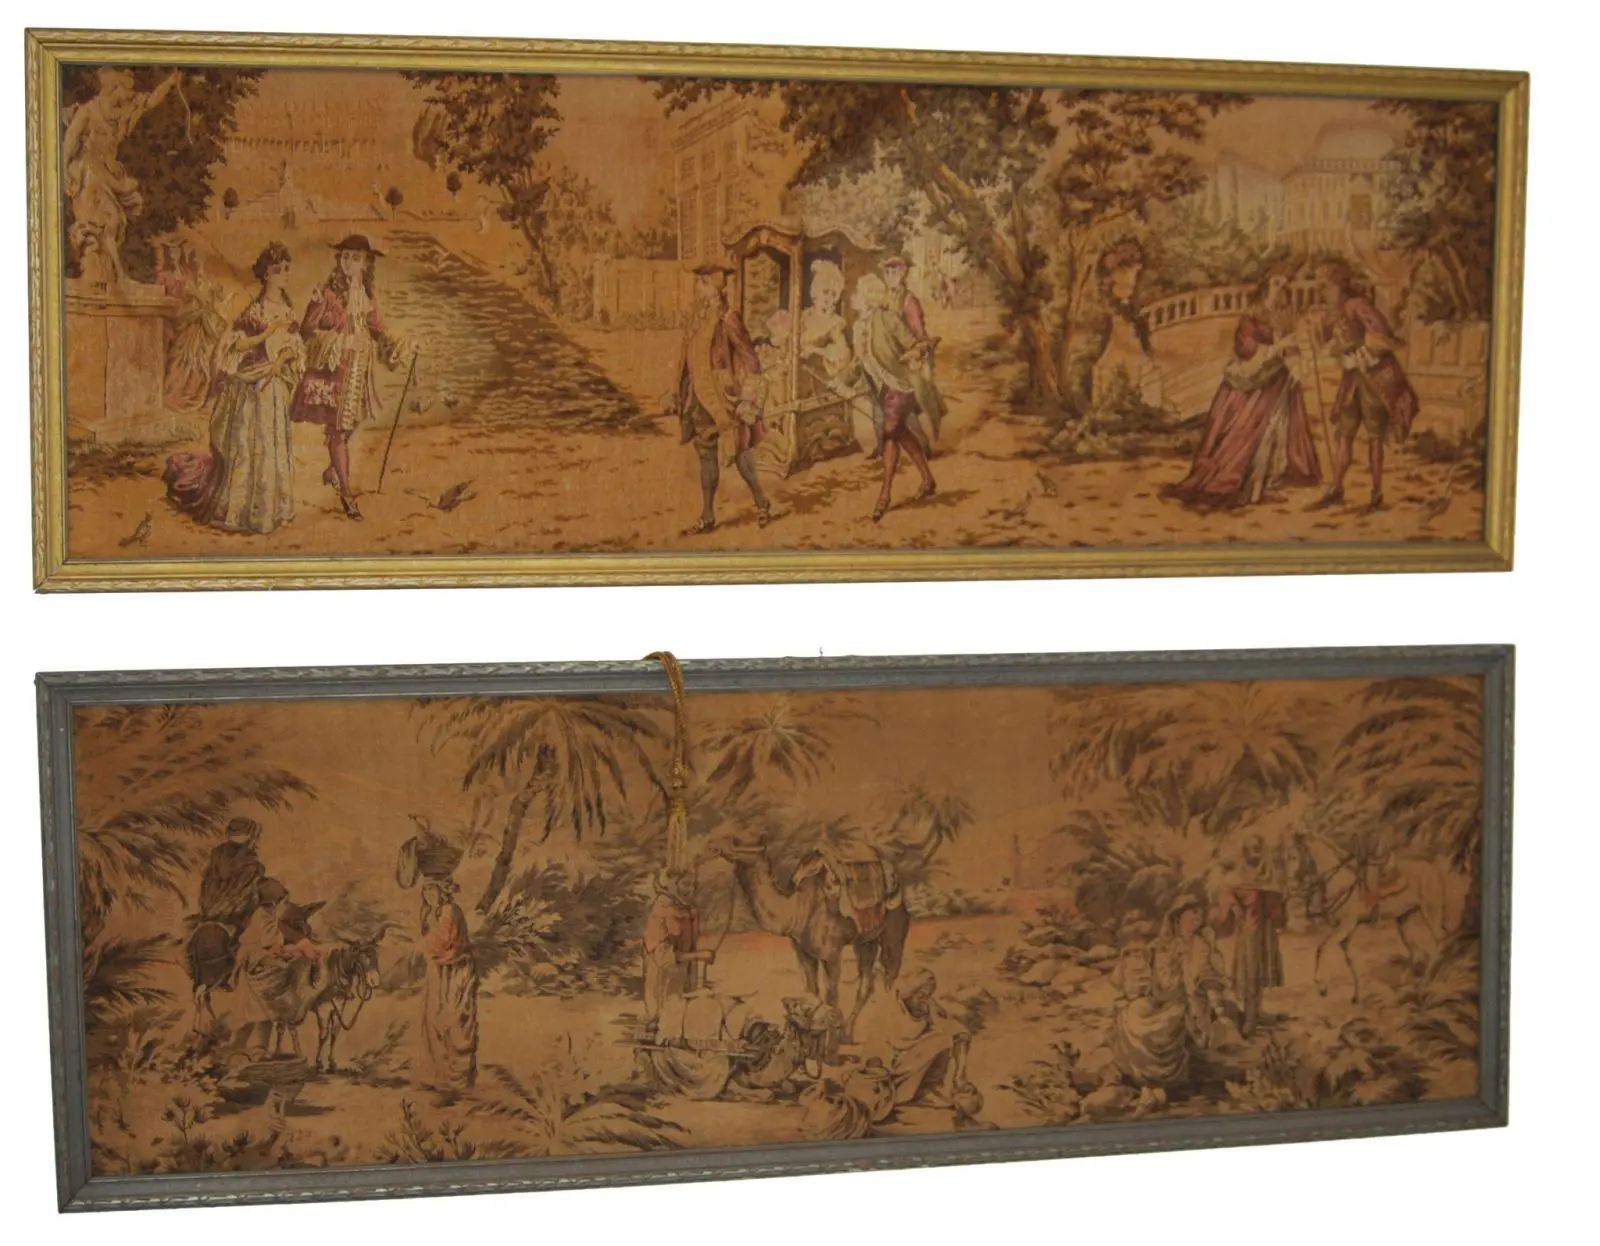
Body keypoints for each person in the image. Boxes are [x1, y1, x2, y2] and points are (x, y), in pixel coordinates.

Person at [1161, 265, 1322, 509]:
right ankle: (1248, 485)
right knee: (1248, 434)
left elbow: (1291, 347)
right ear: (1266, 286)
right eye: (1276, 283)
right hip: (1254, 384)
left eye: (1284, 284)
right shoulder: (1251, 317)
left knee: (1276, 431)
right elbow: (1246, 350)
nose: (1281, 288)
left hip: (1279, 381)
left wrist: (1297, 359)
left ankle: (1267, 483)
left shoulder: (1285, 314)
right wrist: (1277, 347)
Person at [170, 242, 302, 534]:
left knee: (270, 444)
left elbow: (294, 346)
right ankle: (242, 512)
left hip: (273, 386)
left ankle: (270, 511)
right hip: (253, 385)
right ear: (265, 275)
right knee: (250, 445)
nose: (285, 274)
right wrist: (267, 333)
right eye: (278, 270)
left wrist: (279, 362)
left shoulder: (288, 310)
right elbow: (238, 344)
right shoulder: (256, 310)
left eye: (287, 269)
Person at [288, 235, 414, 521]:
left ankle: (333, 470)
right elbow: (306, 332)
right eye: (345, 256)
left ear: (366, 263)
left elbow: (378, 328)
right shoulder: (326, 293)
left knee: (352, 423)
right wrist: (342, 342)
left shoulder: (367, 294)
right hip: (334, 372)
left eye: (355, 258)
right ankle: (346, 493)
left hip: (360, 370)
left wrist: (404, 343)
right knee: (338, 432)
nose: (348, 262)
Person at [1305, 259, 1419, 513]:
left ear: (1339, 285)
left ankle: (1376, 493)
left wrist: (1357, 357)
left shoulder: (1356, 305)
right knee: (1345, 434)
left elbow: (1381, 334)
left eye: (1325, 286)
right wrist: (1312, 331)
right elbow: (1322, 339)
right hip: (1353, 382)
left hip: (1374, 379)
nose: (1322, 292)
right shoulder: (1333, 312)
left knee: (1374, 437)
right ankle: (1337, 488)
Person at [667, 262, 771, 534]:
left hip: (724, 398)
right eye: (699, 282)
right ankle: (707, 516)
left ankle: (761, 502)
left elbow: (751, 360)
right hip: (698, 398)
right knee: (706, 455)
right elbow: (685, 357)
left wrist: (749, 398)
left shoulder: (728, 318)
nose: (698, 288)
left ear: (714, 287)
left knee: (741, 456)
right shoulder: (696, 318)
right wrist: (677, 392)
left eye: (702, 283)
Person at [61, 68, 184, 284]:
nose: (129, 95)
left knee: (113, 223)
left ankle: (109, 277)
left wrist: (170, 83)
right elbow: (70, 141)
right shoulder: (89, 111)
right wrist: (64, 172)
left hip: (108, 172)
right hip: (89, 173)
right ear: (112, 88)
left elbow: (149, 102)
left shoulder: (122, 113)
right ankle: (110, 276)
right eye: (125, 90)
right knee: (106, 222)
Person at [1110, 895, 1229, 1095]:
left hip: (1186, 1002)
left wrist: (1220, 1011)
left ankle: (1162, 1079)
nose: (1196, 921)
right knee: (1132, 1013)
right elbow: (1146, 971)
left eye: (1199, 918)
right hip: (1160, 998)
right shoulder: (1161, 944)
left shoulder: (1200, 945)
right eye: (1191, 916)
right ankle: (1139, 1075)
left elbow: (1207, 977)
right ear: (1178, 918)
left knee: (1162, 1025)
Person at [854, 273, 937, 521]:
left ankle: (885, 494)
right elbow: (860, 361)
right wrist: (840, 381)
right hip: (884, 389)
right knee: (902, 434)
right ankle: (928, 480)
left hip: (901, 386)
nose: (856, 297)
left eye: (861, 293)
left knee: (890, 434)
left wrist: (916, 354)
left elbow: (914, 343)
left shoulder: (888, 319)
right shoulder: (860, 328)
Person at [860, 967, 976, 1114]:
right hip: (888, 1071)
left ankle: (925, 1091)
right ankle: (897, 1097)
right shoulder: (888, 1010)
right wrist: (878, 1078)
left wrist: (960, 1076)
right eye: (921, 996)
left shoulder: (927, 1005)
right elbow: (875, 1049)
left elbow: (957, 1030)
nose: (925, 1000)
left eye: (927, 996)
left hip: (913, 1063)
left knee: (944, 1039)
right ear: (908, 994)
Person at [1216, 835, 1288, 1037]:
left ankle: (1258, 1010)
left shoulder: (1269, 871)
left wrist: (1277, 911)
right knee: (1250, 969)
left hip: (1266, 928)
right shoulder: (1238, 875)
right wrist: (1236, 909)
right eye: (1251, 850)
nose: (1254, 854)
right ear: (1245, 852)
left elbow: (1277, 895)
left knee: (1264, 966)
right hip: (1249, 928)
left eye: (1258, 849)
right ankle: (1249, 1016)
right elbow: (1226, 893)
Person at [880, 255, 945, 455]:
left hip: (908, 357)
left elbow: (918, 333)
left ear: (903, 274)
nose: (890, 276)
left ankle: (922, 446)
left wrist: (916, 352)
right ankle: (888, 445)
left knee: (905, 403)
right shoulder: (883, 298)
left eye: (894, 272)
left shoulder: (909, 301)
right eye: (887, 272)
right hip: (890, 356)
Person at [419, 879, 479, 1095]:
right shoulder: (431, 912)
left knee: (453, 1021)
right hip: (439, 970)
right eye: (426, 891)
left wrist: (420, 948)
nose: (428, 895)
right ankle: (440, 1077)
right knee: (433, 1020)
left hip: (455, 971)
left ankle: (456, 1082)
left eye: (432, 890)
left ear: (442, 892)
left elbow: (440, 941)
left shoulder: (449, 911)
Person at [642, 869, 704, 1025]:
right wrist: (699, 956)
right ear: (672, 885)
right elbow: (664, 958)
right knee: (665, 1019)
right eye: (686, 884)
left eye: (694, 885)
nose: (691, 890)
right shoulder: (662, 911)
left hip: (679, 981)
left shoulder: (688, 911)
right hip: (663, 982)